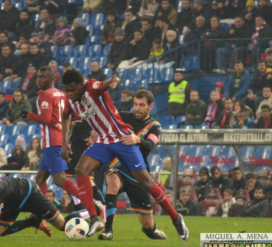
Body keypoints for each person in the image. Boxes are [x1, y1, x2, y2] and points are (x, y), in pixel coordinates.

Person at [61, 69, 188, 240]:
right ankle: (97, 221)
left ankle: (176, 218)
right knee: (81, 170)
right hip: (104, 144)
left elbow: (103, 85)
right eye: (67, 90)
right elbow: (69, 115)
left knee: (147, 185)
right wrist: (67, 140)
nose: (70, 93)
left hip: (122, 141)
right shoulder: (73, 100)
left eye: (72, 90)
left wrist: (112, 81)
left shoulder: (92, 87)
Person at [98, 89, 168, 240]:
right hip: (118, 165)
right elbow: (104, 120)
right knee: (112, 183)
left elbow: (150, 145)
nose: (137, 108)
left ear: (150, 107)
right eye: (135, 104)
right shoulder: (124, 117)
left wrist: (137, 140)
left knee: (148, 224)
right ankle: (108, 230)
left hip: (138, 174)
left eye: (142, 105)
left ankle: (151, 231)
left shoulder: (155, 126)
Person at [21, 66, 83, 207]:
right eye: (38, 77)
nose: (39, 80)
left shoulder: (45, 95)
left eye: (43, 77)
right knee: (41, 178)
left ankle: (90, 203)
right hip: (57, 141)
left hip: (52, 142)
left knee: (59, 179)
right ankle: (41, 212)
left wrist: (29, 115)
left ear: (51, 79)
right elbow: (73, 116)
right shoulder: (62, 94)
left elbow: (46, 119)